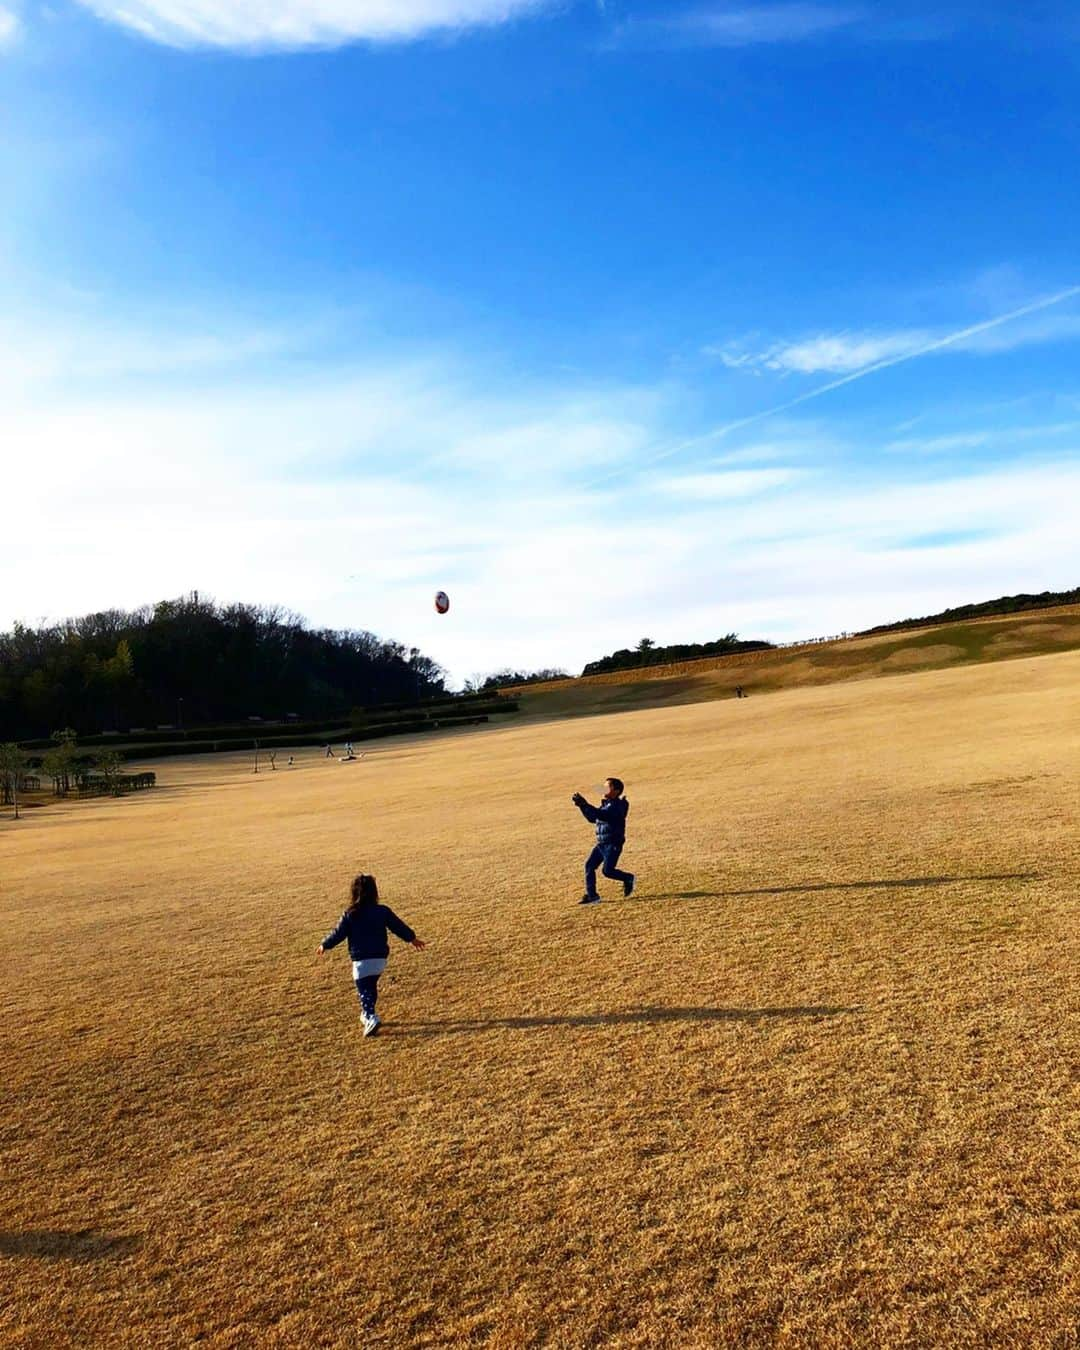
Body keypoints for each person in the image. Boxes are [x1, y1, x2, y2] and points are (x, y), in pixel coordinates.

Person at [316, 874, 426, 1036]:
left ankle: (370, 1017)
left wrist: (325, 944)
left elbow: (338, 934)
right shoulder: (382, 911)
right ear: (375, 892)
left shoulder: (350, 914)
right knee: (370, 988)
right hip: (380, 960)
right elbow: (398, 926)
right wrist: (412, 938)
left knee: (364, 991)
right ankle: (366, 1014)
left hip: (361, 961)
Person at [572, 777, 635, 905]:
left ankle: (628, 878)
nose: (603, 789)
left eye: (607, 787)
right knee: (589, 866)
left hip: (613, 844)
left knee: (608, 871)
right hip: (602, 843)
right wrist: (581, 806)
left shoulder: (617, 806)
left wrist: (585, 804)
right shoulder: (606, 804)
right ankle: (592, 896)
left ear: (616, 791)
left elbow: (602, 815)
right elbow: (592, 818)